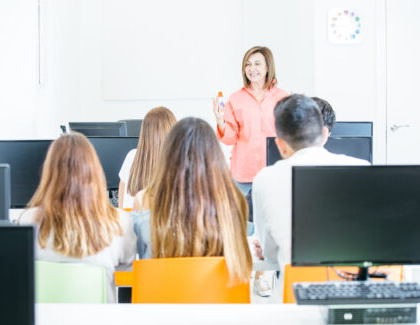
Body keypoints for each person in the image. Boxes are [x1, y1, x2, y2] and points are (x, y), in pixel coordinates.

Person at [252, 94, 369, 301]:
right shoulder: (363, 169)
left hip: (297, 297)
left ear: (280, 145)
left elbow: (270, 255)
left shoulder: (265, 179)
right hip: (356, 293)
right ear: (325, 134)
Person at [18, 133, 136, 303]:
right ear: (94, 171)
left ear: (49, 172)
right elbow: (127, 268)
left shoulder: (27, 221)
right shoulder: (119, 222)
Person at [133, 117, 253, 284]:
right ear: (215, 158)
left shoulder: (144, 200)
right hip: (218, 304)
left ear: (167, 156)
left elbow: (141, 262)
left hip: (160, 303)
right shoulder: (233, 202)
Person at [213, 46, 288, 195]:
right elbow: (230, 138)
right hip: (244, 173)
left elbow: (290, 134)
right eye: (248, 64)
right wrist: (220, 121)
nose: (251, 68)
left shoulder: (282, 97)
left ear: (268, 67)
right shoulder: (235, 99)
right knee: (243, 218)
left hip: (274, 171)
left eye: (257, 63)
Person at [118, 107, 176, 209]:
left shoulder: (131, 156)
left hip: (131, 222)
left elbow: (122, 187)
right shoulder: (175, 161)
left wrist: (122, 215)